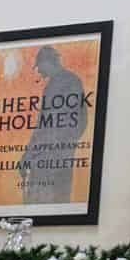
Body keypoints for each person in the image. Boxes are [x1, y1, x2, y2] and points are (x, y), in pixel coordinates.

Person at [19, 45, 88, 207]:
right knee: (59, 207)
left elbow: (44, 127)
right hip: (61, 159)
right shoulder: (71, 81)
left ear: (47, 62)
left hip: (47, 162)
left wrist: (29, 156)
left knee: (42, 207)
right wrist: (67, 146)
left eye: (39, 66)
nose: (39, 71)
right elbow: (81, 121)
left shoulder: (59, 84)